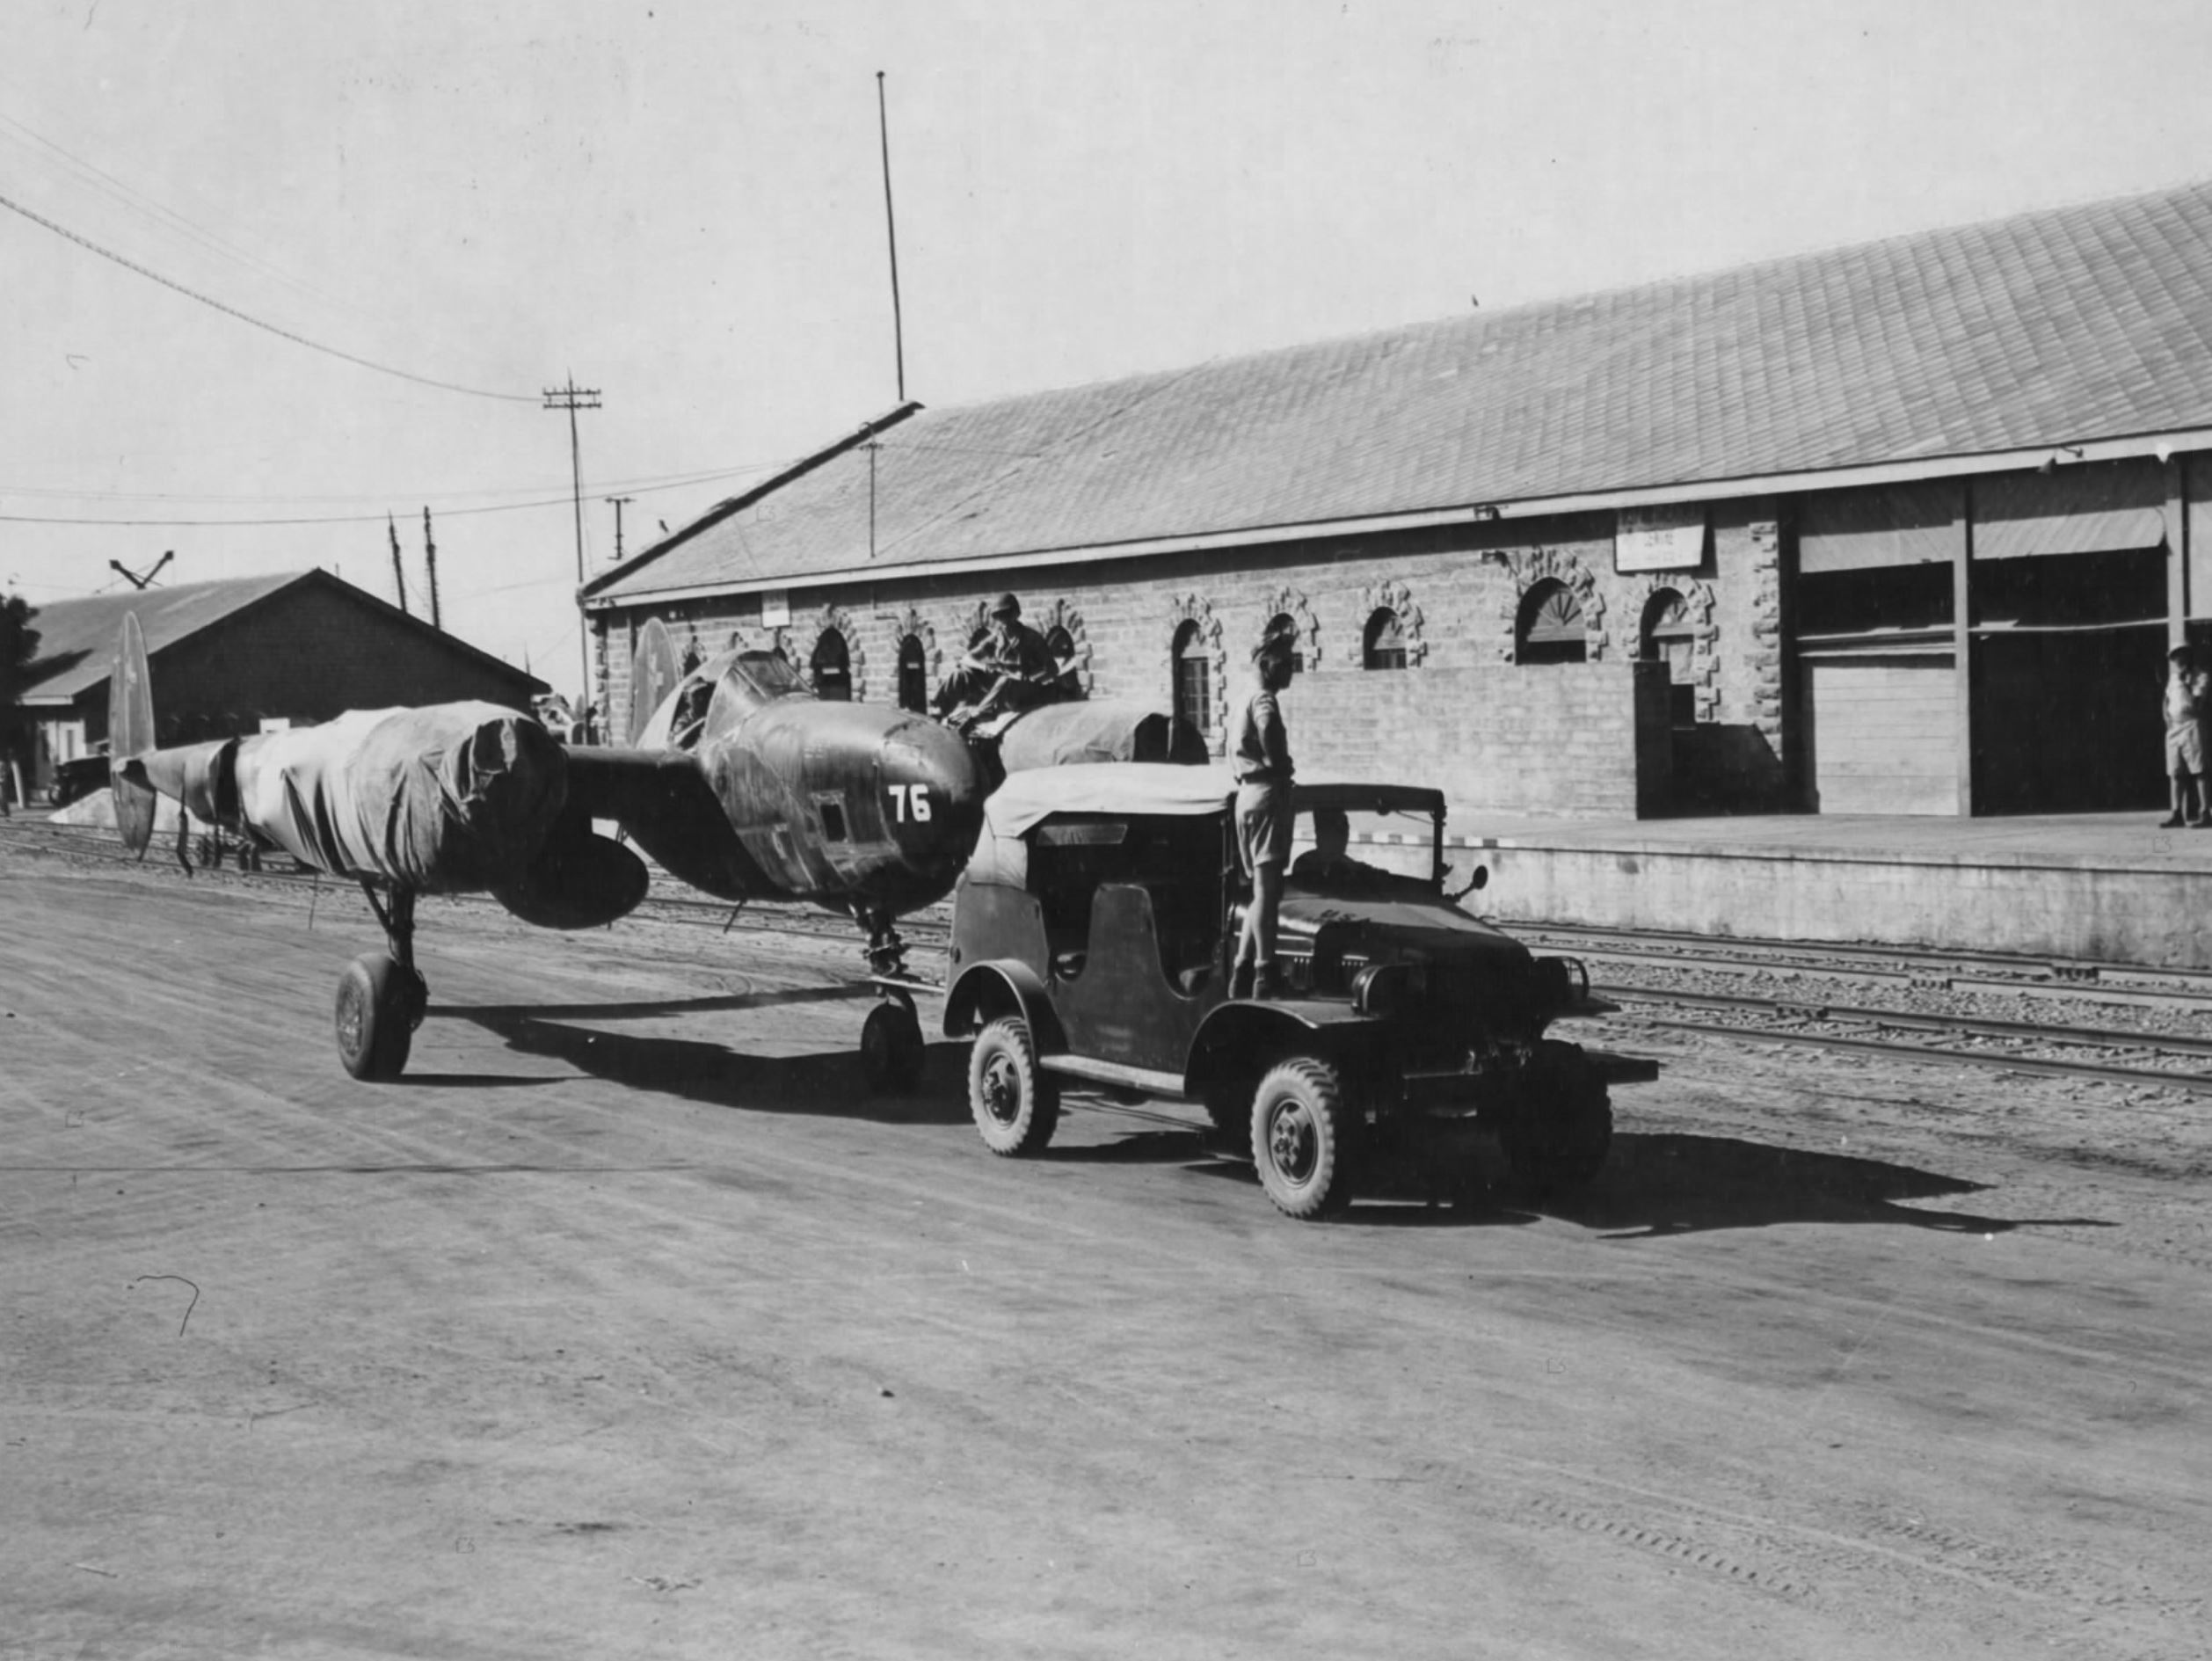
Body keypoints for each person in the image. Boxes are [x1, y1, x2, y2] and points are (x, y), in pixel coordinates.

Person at [1231, 623, 1299, 999]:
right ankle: (1265, 970)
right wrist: (1280, 760)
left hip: (1246, 795)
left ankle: (1243, 968)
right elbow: (1268, 726)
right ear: (1265, 662)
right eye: (1284, 662)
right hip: (1267, 794)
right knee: (1270, 891)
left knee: (1260, 891)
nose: (1290, 669)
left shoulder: (1241, 697)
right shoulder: (1264, 700)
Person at [935, 593, 1059, 729]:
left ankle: (980, 713)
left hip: (1022, 689)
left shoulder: (1032, 638)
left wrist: (1033, 678)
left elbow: (1052, 669)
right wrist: (983, 667)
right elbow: (967, 658)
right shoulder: (996, 637)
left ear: (1016, 614)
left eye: (1007, 615)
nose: (1004, 621)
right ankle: (939, 709)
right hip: (998, 686)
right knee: (961, 674)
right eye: (999, 617)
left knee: (1006, 680)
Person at [2162, 643, 2210, 828]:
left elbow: (2197, 702)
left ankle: (2205, 812)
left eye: (2181, 656)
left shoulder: (2200, 676)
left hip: (2192, 724)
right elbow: (2166, 699)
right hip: (2174, 727)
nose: (2178, 660)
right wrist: (2166, 717)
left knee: (2200, 770)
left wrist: (2187, 682)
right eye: (2175, 657)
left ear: (2189, 656)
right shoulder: (2172, 679)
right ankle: (2176, 814)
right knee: (2176, 772)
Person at [1290, 807, 1388, 887]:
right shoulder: (1305, 865)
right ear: (1319, 834)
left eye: (1343, 831)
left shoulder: (1355, 868)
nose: (1341, 838)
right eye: (1333, 831)